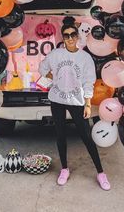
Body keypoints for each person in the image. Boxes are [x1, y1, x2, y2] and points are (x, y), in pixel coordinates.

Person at [38, 16, 110, 190]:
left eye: (72, 35)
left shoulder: (85, 58)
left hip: (77, 101)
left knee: (86, 136)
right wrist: (52, 77)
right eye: (66, 35)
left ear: (78, 37)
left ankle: (101, 172)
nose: (70, 38)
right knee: (60, 135)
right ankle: (64, 169)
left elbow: (88, 82)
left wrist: (87, 104)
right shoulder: (56, 54)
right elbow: (42, 68)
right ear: (63, 38)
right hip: (57, 100)